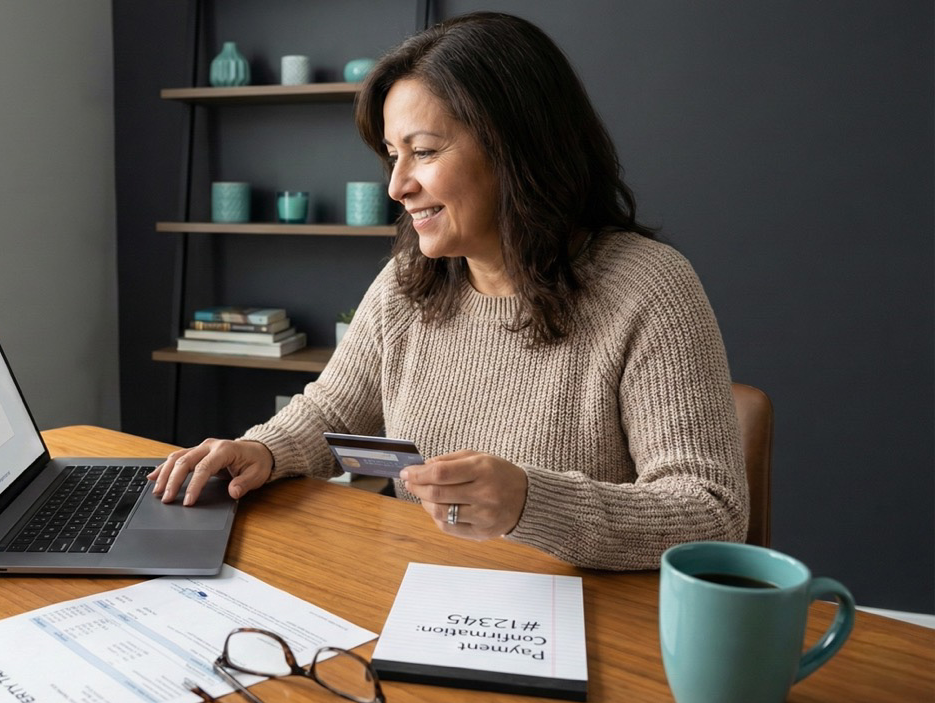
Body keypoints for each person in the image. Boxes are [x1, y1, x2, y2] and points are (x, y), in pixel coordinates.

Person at [149, 11, 748, 570]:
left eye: (425, 152)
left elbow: (712, 513)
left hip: (581, 619)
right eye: (391, 155)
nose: (397, 185)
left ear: (520, 148)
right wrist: (264, 452)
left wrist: (531, 502)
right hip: (419, 589)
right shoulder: (410, 280)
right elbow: (334, 411)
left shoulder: (649, 288)